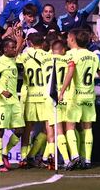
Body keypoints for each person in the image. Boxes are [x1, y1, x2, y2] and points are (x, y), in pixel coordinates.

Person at [59, 28, 100, 170]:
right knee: (88, 128)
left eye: (69, 38)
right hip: (89, 96)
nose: (68, 41)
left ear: (73, 40)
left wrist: (62, 91)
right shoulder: (93, 55)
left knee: (70, 127)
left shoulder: (71, 55)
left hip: (75, 96)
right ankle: (87, 160)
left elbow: (69, 73)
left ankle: (75, 156)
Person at [0, 38, 25, 172]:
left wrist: (19, 40)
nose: (15, 49)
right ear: (5, 49)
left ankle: (5, 152)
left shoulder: (14, 60)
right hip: (3, 103)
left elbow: (18, 51)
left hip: (14, 102)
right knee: (0, 131)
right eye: (12, 47)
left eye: (15, 47)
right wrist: (2, 91)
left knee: (20, 130)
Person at [16, 33, 54, 168]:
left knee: (27, 129)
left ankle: (24, 158)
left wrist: (19, 43)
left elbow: (13, 61)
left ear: (30, 43)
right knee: (49, 127)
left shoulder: (24, 56)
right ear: (42, 42)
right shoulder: (48, 56)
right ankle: (50, 157)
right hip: (45, 96)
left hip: (30, 96)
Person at [40, 40, 73, 169]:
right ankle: (65, 160)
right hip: (61, 95)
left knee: (52, 130)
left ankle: (53, 158)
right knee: (62, 130)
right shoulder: (66, 60)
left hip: (48, 96)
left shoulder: (44, 60)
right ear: (63, 50)